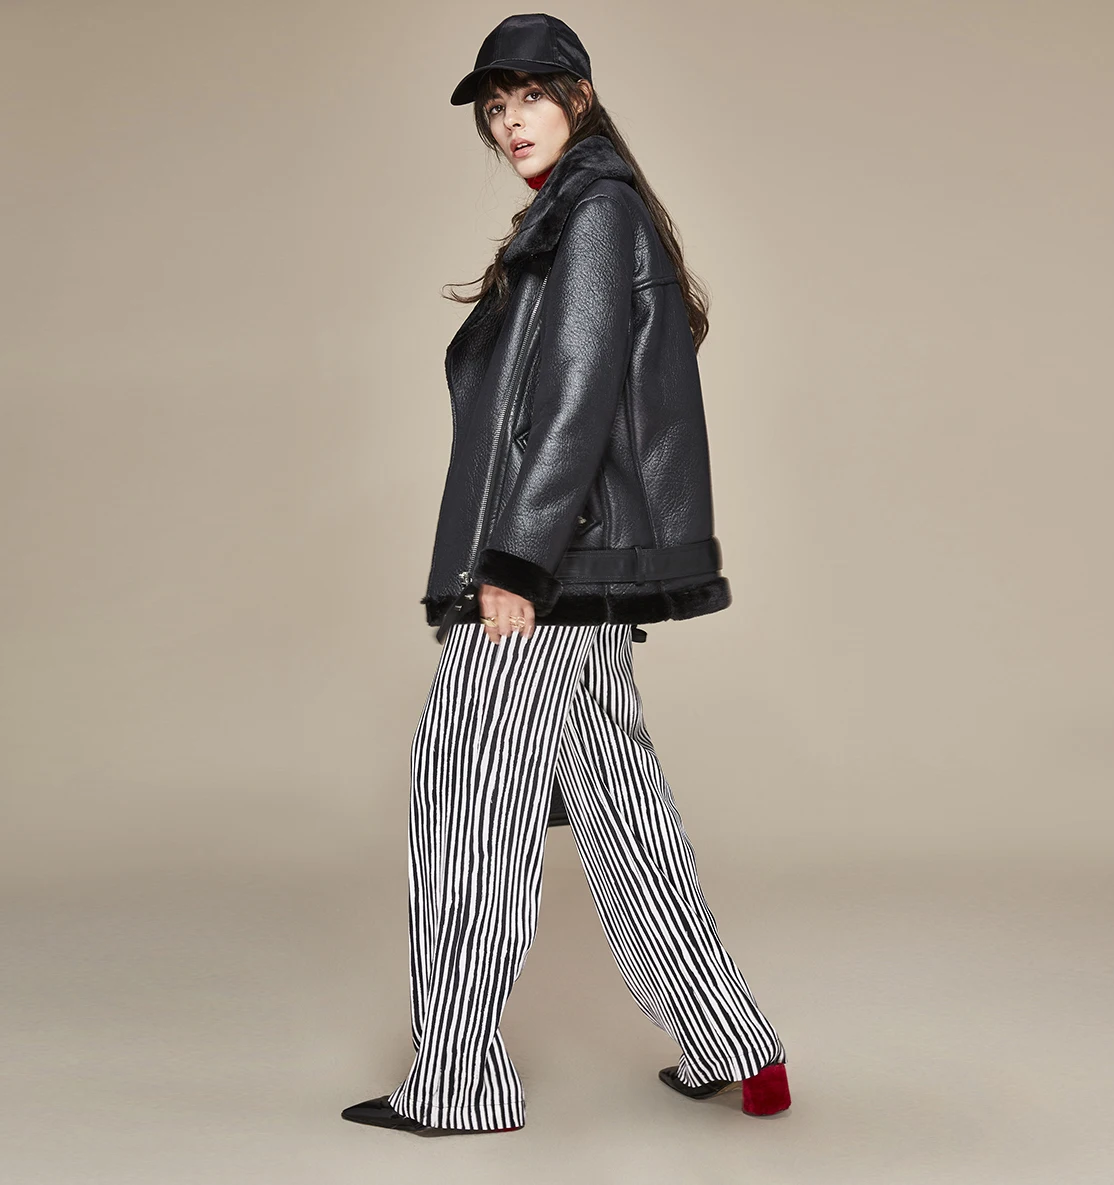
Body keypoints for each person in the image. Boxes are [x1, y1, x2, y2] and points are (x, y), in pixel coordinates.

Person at [341, 13, 790, 1137]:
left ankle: (457, 1081)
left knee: (465, 805)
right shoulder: (588, 211)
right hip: (581, 573)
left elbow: (579, 396)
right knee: (621, 811)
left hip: (545, 570)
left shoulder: (592, 212)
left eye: (528, 99)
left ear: (579, 98)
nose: (509, 124)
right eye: (496, 109)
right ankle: (734, 1043)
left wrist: (517, 561)